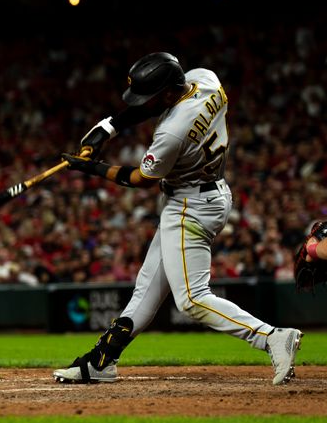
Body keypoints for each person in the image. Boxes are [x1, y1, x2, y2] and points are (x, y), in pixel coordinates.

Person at [53, 52, 303, 386]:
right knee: (147, 289)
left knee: (192, 300)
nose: (145, 103)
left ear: (170, 93)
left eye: (152, 96)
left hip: (189, 204)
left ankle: (271, 336)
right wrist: (106, 128)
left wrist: (92, 168)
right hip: (208, 192)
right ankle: (102, 361)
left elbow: (142, 179)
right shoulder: (206, 79)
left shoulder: (172, 131)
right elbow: (147, 107)